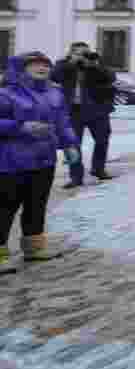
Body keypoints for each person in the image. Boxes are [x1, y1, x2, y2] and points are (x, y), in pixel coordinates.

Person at [0, 52, 81, 272]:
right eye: (34, 64)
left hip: (44, 159)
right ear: (20, 68)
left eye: (45, 64)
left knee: (37, 205)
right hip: (10, 161)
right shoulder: (6, 94)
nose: (41, 68)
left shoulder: (55, 94)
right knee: (5, 207)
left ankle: (34, 248)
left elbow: (63, 122)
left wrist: (70, 145)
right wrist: (20, 127)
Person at [49, 42, 116, 187]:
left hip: (97, 110)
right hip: (73, 111)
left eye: (85, 52)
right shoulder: (64, 64)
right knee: (71, 144)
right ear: (71, 53)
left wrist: (95, 65)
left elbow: (111, 77)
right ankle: (75, 177)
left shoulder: (95, 62)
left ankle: (98, 169)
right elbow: (53, 76)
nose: (83, 56)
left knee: (102, 140)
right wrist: (70, 62)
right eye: (79, 53)